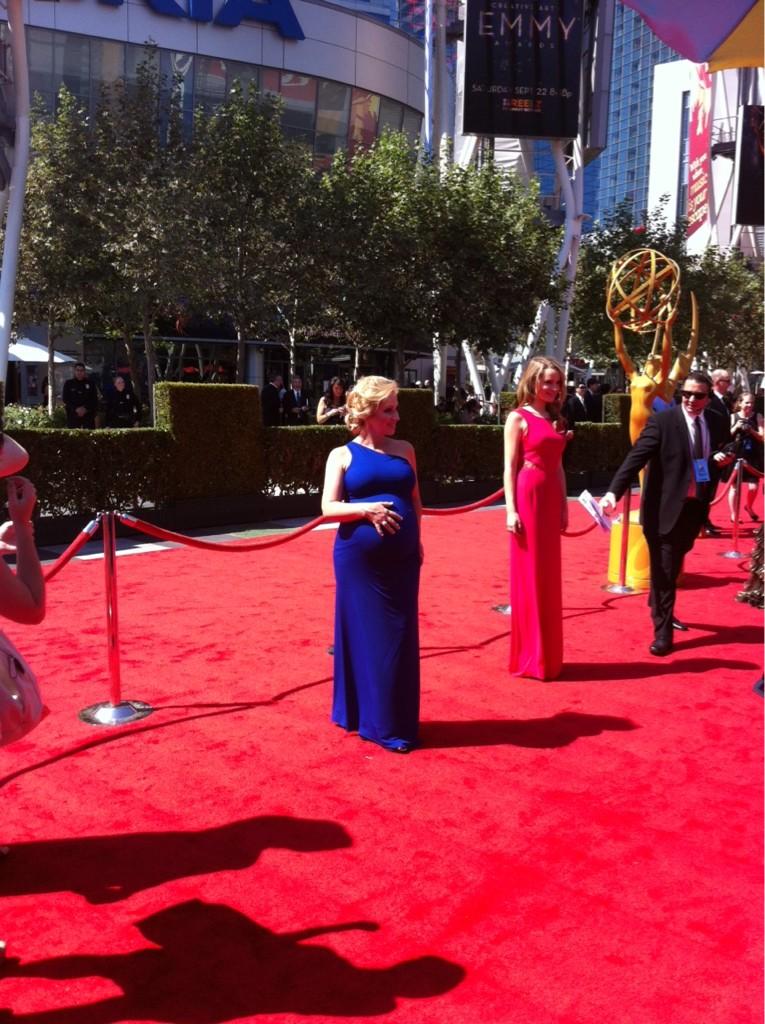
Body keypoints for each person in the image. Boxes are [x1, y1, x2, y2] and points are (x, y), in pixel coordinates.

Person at [321, 376, 423, 753]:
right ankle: (379, 724)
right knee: (369, 638)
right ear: (366, 413)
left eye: (396, 409)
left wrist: (418, 540)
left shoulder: (405, 450)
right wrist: (367, 510)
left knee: (399, 638)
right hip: (359, 564)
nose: (396, 417)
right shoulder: (341, 455)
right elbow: (328, 507)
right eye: (388, 410)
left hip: (404, 561)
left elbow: (416, 501)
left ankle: (392, 716)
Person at [599, 371, 733, 657]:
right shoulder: (662, 422)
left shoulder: (715, 421)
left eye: (698, 395)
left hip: (694, 508)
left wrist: (720, 460)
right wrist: (613, 492)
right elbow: (635, 458)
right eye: (686, 394)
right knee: (664, 571)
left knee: (673, 563)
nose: (691, 399)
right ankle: (662, 630)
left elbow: (716, 453)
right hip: (663, 511)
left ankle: (657, 602)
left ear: (708, 398)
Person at [503, 356, 569, 681]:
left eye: (557, 383)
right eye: (547, 382)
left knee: (548, 574)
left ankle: (549, 656)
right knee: (530, 572)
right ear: (533, 382)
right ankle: (531, 656)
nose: (553, 388)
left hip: (550, 496)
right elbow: (508, 467)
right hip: (528, 495)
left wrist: (564, 505)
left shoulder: (555, 419)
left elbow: (559, 466)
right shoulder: (518, 417)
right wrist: (511, 509)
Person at [728, 392, 764, 523]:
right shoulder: (733, 417)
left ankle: (748, 507)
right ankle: (734, 514)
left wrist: (751, 430)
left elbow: (762, 437)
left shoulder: (758, 416)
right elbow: (727, 436)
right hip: (736, 454)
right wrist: (736, 426)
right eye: (747, 402)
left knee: (753, 487)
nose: (750, 405)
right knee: (734, 487)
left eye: (752, 402)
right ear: (740, 403)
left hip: (752, 455)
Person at [62, 362, 98, 429]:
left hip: (88, 416)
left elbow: (94, 399)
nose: (79, 372)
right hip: (73, 415)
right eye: (77, 370)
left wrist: (85, 409)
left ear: (84, 372)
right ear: (74, 371)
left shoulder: (91, 383)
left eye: (81, 370)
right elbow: (65, 399)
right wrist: (76, 409)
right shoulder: (69, 383)